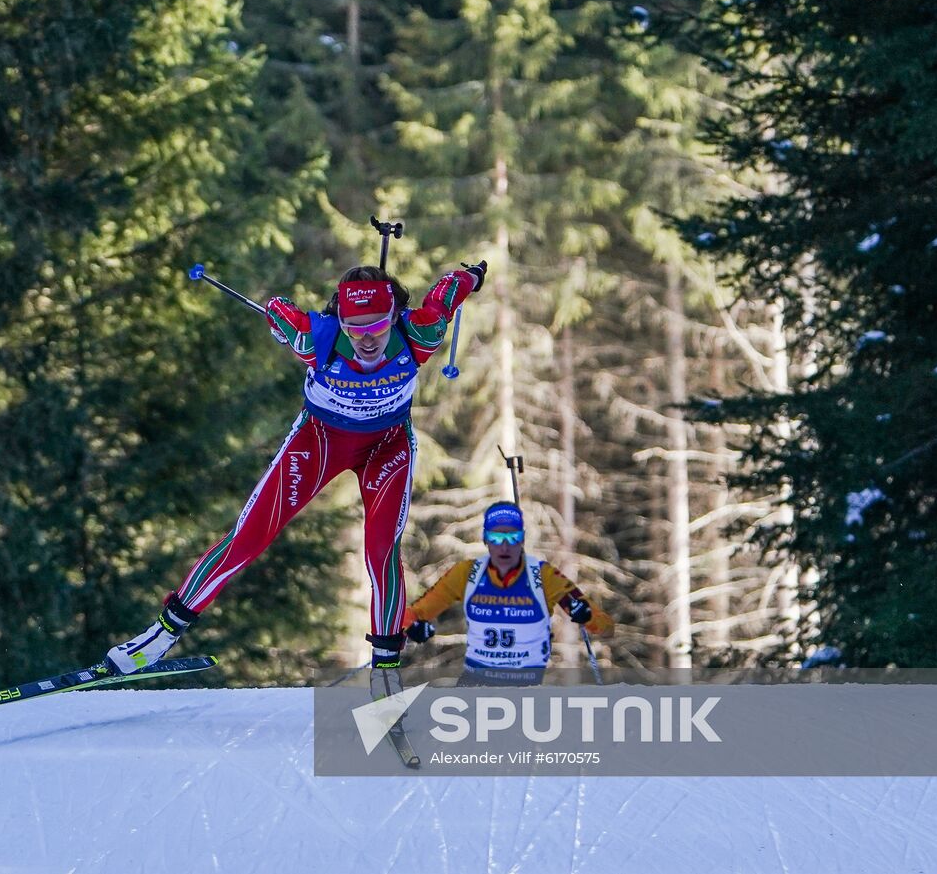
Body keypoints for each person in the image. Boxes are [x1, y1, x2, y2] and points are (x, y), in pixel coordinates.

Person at [103, 260, 487, 699]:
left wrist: (471, 275)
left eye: (377, 326)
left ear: (394, 316)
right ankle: (158, 638)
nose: (365, 338)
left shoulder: (419, 333)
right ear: (339, 319)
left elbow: (446, 295)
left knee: (382, 551)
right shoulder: (317, 338)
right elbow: (280, 309)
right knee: (248, 536)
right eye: (353, 325)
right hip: (319, 441)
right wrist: (277, 315)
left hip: (387, 446)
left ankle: (386, 674)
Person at [402, 501, 613, 686]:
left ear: (522, 540)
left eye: (513, 537)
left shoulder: (542, 576)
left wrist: (587, 617)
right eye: (496, 537)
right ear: (485, 539)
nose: (504, 546)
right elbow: (413, 614)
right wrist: (412, 627)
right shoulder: (468, 574)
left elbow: (606, 627)